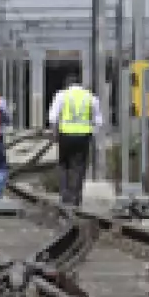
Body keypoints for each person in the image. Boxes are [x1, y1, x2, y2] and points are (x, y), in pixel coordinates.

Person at [47, 74, 103, 207]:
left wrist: (54, 134)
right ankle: (76, 196)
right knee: (79, 166)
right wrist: (93, 134)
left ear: (67, 84)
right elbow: (98, 120)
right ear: (80, 84)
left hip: (65, 135)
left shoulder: (62, 95)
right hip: (83, 136)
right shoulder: (90, 97)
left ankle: (65, 195)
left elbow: (53, 117)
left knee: (63, 164)